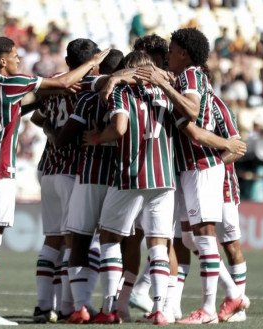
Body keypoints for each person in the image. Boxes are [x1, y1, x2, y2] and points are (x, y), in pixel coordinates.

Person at [0, 36, 108, 326]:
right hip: (0, 167)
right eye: (15, 56)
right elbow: (62, 85)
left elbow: (22, 111)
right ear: (2, 60)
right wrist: (93, 63)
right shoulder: (9, 83)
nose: (19, 60)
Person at [135, 28, 249, 324]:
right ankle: (233, 293)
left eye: (172, 51)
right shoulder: (186, 79)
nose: (169, 56)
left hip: (201, 165)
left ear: (184, 53)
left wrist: (166, 87)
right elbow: (190, 126)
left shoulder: (191, 76)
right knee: (192, 238)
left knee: (206, 238)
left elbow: (193, 112)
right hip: (191, 168)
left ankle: (209, 309)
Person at [84, 51, 177, 325]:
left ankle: (110, 307)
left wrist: (99, 138)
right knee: (158, 244)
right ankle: (160, 309)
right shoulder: (166, 93)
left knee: (110, 238)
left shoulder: (123, 92)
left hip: (131, 175)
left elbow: (120, 128)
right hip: (164, 178)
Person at [29, 38, 102, 323]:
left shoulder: (56, 83)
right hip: (73, 170)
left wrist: (51, 132)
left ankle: (44, 305)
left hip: (48, 168)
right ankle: (72, 306)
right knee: (77, 240)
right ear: (91, 62)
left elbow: (37, 117)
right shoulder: (85, 86)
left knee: (53, 239)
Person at [54, 49, 125, 324]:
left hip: (90, 174)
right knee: (112, 242)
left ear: (98, 69)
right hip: (120, 179)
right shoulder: (130, 96)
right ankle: (110, 308)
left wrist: (57, 131)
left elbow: (63, 138)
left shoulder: (87, 98)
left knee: (80, 239)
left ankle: (81, 306)